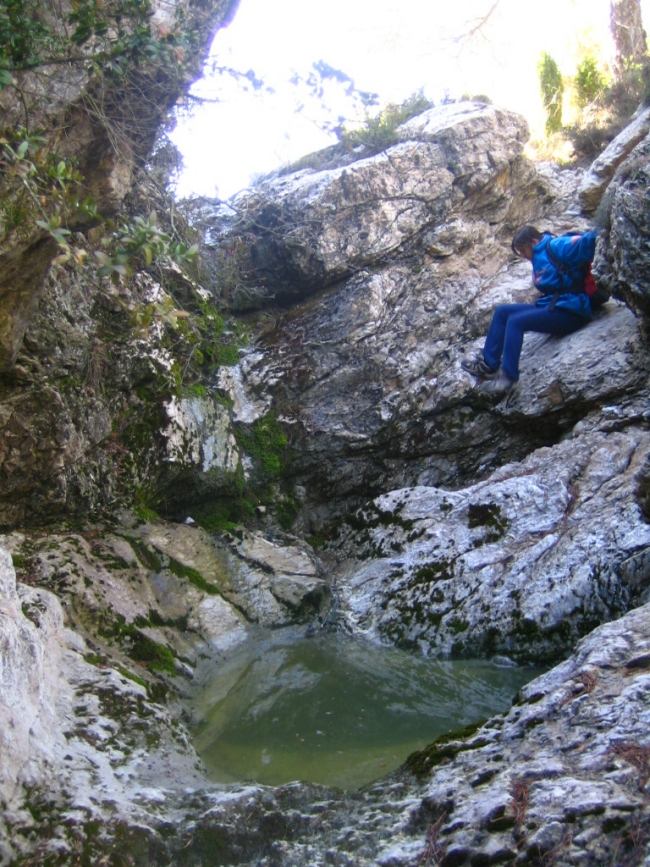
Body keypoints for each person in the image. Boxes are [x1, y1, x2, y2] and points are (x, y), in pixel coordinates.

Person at [461, 226, 599, 394]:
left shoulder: (556, 246)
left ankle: (508, 378)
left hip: (572, 311)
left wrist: (604, 225)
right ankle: (489, 365)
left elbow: (588, 241)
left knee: (516, 322)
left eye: (523, 250)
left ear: (533, 242)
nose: (524, 255)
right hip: (554, 305)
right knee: (502, 312)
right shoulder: (539, 255)